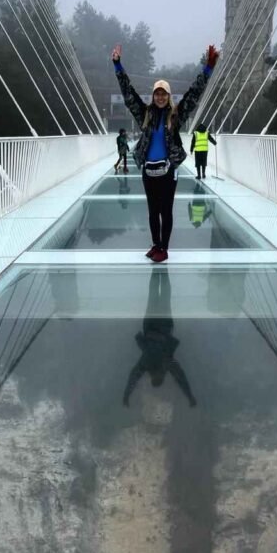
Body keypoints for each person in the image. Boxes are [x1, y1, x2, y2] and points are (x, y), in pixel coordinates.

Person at [112, 42, 220, 263]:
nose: (160, 97)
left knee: (165, 211)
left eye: (164, 94)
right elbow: (128, 93)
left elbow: (194, 94)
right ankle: (155, 244)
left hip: (168, 171)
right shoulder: (145, 114)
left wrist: (208, 68)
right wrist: (117, 65)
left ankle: (164, 247)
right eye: (157, 94)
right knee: (152, 211)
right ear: (153, 96)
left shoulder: (175, 116)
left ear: (168, 96)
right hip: (148, 171)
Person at [123, 270, 196, 407]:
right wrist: (190, 396)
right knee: (158, 296)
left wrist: (127, 395)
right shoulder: (164, 364)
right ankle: (161, 269)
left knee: (159, 296)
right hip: (160, 326)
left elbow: (134, 377)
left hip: (155, 326)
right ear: (159, 377)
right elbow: (181, 379)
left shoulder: (152, 364)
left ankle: (160, 269)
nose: (156, 376)